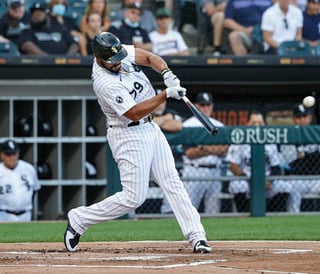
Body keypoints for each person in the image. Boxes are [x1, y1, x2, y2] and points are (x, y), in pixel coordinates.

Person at [63, 31, 212, 254]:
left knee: (172, 181)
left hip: (151, 127)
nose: (117, 63)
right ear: (98, 58)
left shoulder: (117, 51)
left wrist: (166, 72)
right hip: (127, 134)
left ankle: (197, 236)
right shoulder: (104, 83)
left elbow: (151, 58)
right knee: (134, 197)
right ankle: (79, 218)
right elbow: (132, 113)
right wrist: (165, 95)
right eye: (112, 62)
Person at [278, 104, 320, 213]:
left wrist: (305, 155)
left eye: (304, 117)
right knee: (293, 187)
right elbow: (292, 162)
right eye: (299, 117)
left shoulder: (318, 134)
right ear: (294, 119)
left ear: (310, 118)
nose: (302, 120)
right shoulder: (289, 136)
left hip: (318, 178)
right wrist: (315, 155)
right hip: (298, 179)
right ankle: (292, 218)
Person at [225, 110, 292, 212]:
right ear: (247, 124)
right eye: (253, 123)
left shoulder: (270, 141)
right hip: (246, 178)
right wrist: (252, 181)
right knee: (238, 186)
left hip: (267, 179)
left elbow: (276, 167)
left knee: (283, 186)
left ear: (264, 124)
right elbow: (233, 166)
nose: (257, 126)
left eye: (260, 123)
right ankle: (244, 214)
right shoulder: (239, 142)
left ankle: (274, 215)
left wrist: (269, 181)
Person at [180, 92, 228, 214]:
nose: (205, 108)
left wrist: (202, 148)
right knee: (190, 210)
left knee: (213, 211)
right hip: (194, 171)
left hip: (215, 171)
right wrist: (213, 149)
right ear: (196, 106)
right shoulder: (188, 125)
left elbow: (224, 149)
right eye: (202, 105)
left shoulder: (218, 125)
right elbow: (190, 153)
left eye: (208, 105)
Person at [0, 140, 41, 222]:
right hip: (3, 215)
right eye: (8, 154)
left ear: (18, 153)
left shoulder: (28, 168)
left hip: (26, 215)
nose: (12, 157)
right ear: (2, 155)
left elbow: (35, 189)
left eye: (14, 153)